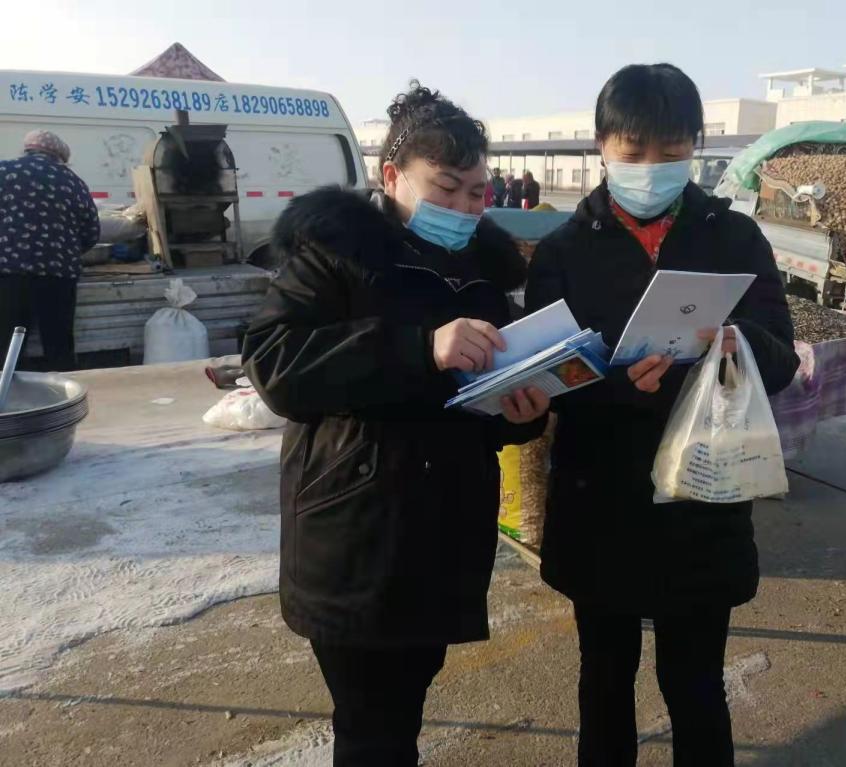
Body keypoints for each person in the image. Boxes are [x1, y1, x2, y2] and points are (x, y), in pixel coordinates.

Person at [241, 82, 550, 767]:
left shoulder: (482, 273)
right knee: (372, 728)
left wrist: (518, 415)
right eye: (446, 189)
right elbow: (273, 363)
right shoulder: (335, 252)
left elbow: (474, 400)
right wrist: (420, 347)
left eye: (477, 193)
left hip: (443, 536)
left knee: (401, 711)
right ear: (391, 176)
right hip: (357, 531)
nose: (464, 207)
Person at [525, 63, 799, 767]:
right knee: (604, 678)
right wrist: (608, 385)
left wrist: (732, 344)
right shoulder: (563, 250)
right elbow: (544, 373)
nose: (651, 167)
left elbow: (779, 357)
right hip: (598, 496)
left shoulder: (733, 238)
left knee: (695, 682)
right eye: (633, 150)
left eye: (671, 151)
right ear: (601, 146)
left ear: (695, 148)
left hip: (701, 497)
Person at [0, 130, 99, 371]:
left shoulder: (4, 171)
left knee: (7, 347)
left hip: (10, 273)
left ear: (27, 149)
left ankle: (7, 390)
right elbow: (91, 231)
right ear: (59, 156)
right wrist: (69, 250)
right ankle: (63, 391)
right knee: (59, 344)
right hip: (59, 275)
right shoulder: (73, 182)